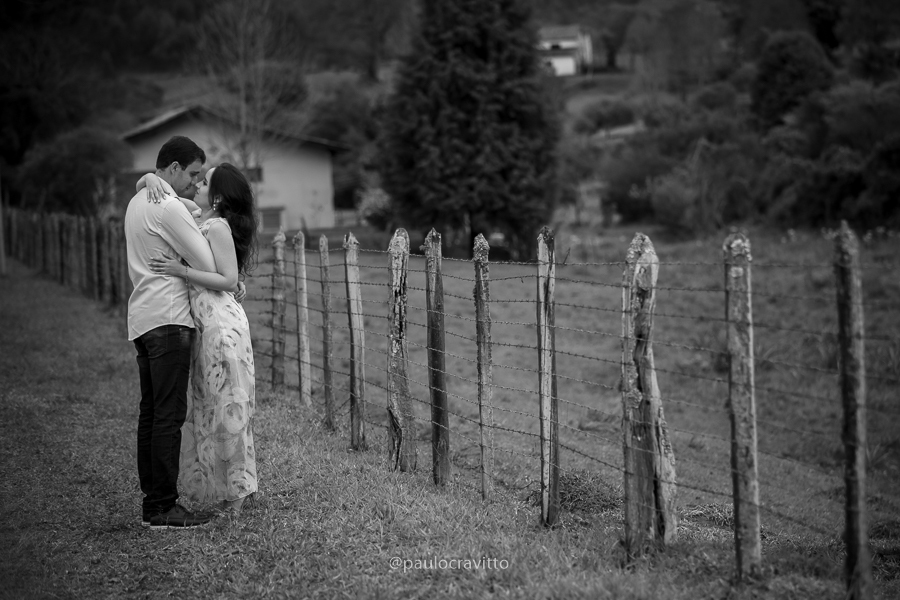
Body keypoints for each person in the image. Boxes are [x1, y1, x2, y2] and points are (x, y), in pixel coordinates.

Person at [125, 136, 236, 529]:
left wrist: (147, 181)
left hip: (141, 317)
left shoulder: (137, 202)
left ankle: (151, 502)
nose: (194, 182)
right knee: (169, 417)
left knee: (152, 413)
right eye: (190, 173)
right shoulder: (168, 206)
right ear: (172, 169)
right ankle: (162, 507)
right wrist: (189, 217)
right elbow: (206, 261)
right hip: (169, 320)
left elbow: (167, 198)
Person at [143, 163, 259, 516]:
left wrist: (182, 271)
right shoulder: (198, 216)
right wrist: (150, 177)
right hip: (207, 325)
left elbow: (228, 279)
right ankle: (229, 492)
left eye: (204, 181)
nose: (197, 183)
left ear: (219, 195)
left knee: (228, 409)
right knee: (210, 407)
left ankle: (238, 497)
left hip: (222, 326)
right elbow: (158, 188)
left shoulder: (219, 226)